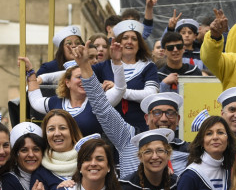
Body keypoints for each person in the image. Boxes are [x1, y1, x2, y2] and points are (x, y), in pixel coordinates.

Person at [74, 42, 190, 176]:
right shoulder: (129, 138)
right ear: (147, 118)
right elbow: (102, 108)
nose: (163, 119)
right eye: (157, 113)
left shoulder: (190, 151)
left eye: (170, 113)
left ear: (178, 119)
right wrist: (84, 66)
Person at [22, 56, 120, 137]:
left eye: (86, 77)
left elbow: (119, 92)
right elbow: (36, 101)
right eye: (78, 77)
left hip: (89, 157)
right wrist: (30, 73)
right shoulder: (56, 102)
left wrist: (114, 86)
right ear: (67, 82)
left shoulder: (98, 102)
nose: (84, 80)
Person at [113, 19, 160, 133]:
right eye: (125, 38)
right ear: (118, 42)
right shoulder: (105, 66)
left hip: (141, 127)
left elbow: (151, 94)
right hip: (111, 129)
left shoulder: (148, 67)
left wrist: (119, 91)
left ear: (139, 45)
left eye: (134, 39)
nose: (129, 42)